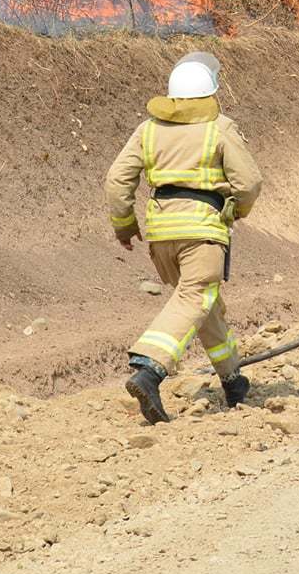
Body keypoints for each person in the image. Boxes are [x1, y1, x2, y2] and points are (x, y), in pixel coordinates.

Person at [104, 51, 264, 423]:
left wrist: (124, 225)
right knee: (195, 296)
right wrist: (237, 209)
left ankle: (233, 381)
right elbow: (250, 183)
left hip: (161, 235)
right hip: (202, 230)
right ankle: (150, 368)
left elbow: (117, 181)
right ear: (211, 92)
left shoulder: (148, 129)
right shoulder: (219, 127)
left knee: (202, 303)